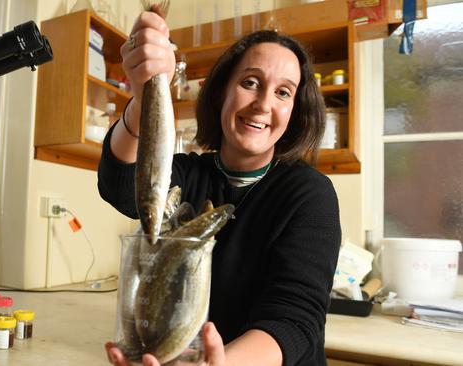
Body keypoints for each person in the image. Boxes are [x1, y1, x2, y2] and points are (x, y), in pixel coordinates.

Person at [98, 11, 341, 366]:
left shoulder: (310, 195)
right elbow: (119, 184)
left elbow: (294, 319)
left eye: (283, 92)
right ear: (221, 92)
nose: (263, 104)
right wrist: (143, 96)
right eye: (251, 82)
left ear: (295, 111)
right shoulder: (183, 174)